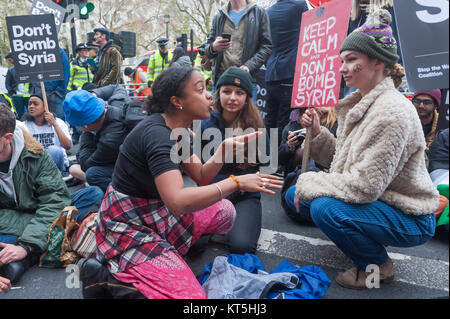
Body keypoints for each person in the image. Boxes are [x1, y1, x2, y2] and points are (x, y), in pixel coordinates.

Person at [81, 66, 282, 299]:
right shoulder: (158, 135)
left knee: (225, 211)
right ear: (177, 101)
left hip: (157, 215)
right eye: (200, 89)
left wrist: (223, 151)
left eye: (207, 88)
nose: (210, 95)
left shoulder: (179, 129)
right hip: (129, 226)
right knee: (194, 300)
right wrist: (236, 182)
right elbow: (177, 202)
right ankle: (105, 278)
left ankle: (164, 257)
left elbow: (202, 176)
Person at [287, 9, 439, 290]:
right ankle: (359, 233)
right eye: (342, 60)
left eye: (351, 60)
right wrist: (318, 134)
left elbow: (364, 186)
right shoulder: (363, 101)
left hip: (410, 215)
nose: (342, 68)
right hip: (379, 197)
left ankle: (378, 266)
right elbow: (342, 160)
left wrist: (309, 181)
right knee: (293, 196)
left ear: (378, 61)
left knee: (322, 207)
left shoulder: (391, 112)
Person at [0, 104, 104, 284]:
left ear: (8, 138)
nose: (31, 106)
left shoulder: (35, 155)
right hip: (11, 218)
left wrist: (27, 245)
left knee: (93, 194)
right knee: (7, 239)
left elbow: (54, 201)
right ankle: (51, 238)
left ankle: (26, 253)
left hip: (40, 211)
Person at [201, 66, 271, 254]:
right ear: (218, 93)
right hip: (214, 192)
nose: (232, 97)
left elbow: (268, 165)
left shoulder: (257, 125)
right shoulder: (204, 122)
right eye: (227, 91)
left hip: (245, 195)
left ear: (247, 97)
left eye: (239, 93)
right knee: (193, 243)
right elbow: (198, 172)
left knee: (241, 246)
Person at [63, 89, 128, 192]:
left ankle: (126, 198)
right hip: (130, 160)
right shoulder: (117, 104)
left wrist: (86, 134)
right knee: (75, 168)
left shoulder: (109, 140)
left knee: (92, 174)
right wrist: (96, 94)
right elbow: (117, 88)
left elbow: (86, 165)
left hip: (140, 170)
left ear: (86, 125)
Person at [205, 0, 272, 99]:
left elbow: (266, 47)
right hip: (220, 82)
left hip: (246, 81)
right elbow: (207, 49)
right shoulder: (219, 16)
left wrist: (249, 66)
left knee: (245, 115)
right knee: (216, 115)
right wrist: (213, 47)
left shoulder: (259, 13)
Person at [265, 0, 309, 145]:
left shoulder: (269, 12)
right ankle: (278, 161)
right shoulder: (299, 5)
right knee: (285, 121)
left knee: (270, 120)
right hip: (290, 71)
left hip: (271, 73)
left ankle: (267, 159)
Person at [279, 107, 337, 177]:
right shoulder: (293, 125)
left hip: (322, 177)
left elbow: (336, 157)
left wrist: (317, 136)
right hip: (295, 176)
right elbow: (279, 159)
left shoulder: (336, 124)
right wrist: (289, 146)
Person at [22, 93, 72, 175]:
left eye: (36, 104)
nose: (31, 106)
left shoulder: (59, 122)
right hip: (35, 165)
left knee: (54, 151)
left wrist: (54, 124)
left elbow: (68, 146)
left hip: (56, 164)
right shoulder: (24, 125)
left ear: (45, 106)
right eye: (29, 104)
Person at [28, 48, 71, 121]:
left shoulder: (59, 53)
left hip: (54, 94)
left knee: (57, 122)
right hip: (37, 92)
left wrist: (58, 92)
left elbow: (65, 74)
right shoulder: (35, 51)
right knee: (38, 122)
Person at [5, 53, 29, 120]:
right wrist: (11, 93)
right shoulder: (11, 70)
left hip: (28, 95)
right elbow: (7, 83)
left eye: (10, 60)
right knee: (19, 114)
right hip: (17, 96)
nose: (10, 62)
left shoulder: (28, 68)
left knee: (31, 114)